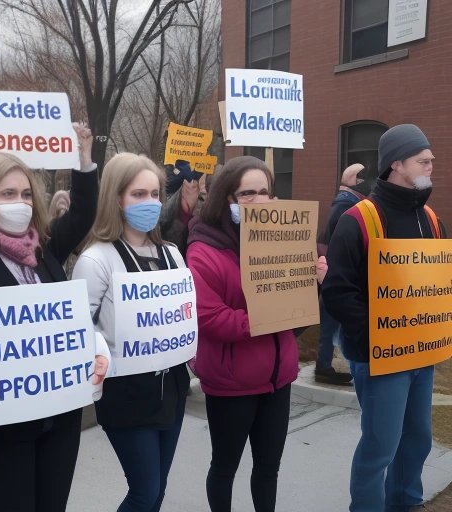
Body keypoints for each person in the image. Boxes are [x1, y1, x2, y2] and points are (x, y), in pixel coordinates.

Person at [0, 123, 107, 512]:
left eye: (27, 194)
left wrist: (84, 160)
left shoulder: (43, 248)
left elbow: (82, 215)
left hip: (58, 424)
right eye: (8, 193)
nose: (21, 202)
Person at [186, 155, 325, 512]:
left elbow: (296, 323)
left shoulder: (284, 244)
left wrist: (312, 285)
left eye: (265, 192)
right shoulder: (204, 251)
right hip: (231, 384)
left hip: (278, 379)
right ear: (226, 199)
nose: (259, 201)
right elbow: (212, 318)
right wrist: (268, 318)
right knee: (225, 467)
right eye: (248, 193)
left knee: (268, 468)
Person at [322, 124, 442, 511]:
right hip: (378, 358)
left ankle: (407, 503)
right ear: (396, 164)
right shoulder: (358, 219)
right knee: (380, 447)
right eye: (423, 159)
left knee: (418, 439)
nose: (432, 162)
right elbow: (338, 293)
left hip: (421, 355)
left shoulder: (433, 220)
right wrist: (382, 332)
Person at [72, 152, 190, 512]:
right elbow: (77, 329)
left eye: (155, 194)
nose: (150, 202)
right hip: (126, 394)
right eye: (139, 194)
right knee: (144, 490)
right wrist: (96, 353)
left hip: (172, 386)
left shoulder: (172, 254)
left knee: (157, 490)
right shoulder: (96, 260)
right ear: (116, 198)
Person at [315, 163, 371, 385]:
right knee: (332, 319)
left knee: (331, 319)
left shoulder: (343, 203)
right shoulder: (347, 207)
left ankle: (326, 364)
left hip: (331, 269)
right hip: (335, 271)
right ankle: (326, 365)